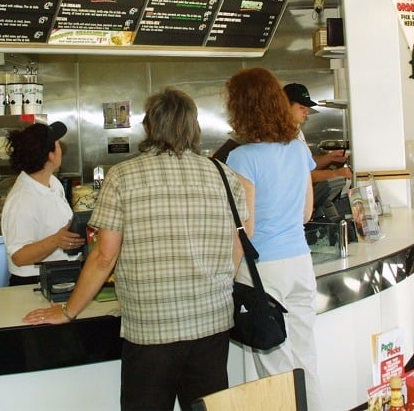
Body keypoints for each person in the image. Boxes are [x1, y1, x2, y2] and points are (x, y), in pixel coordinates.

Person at [22, 88, 250, 411]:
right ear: (193, 127)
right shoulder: (224, 176)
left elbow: (104, 257)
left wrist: (67, 310)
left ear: (150, 126)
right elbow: (239, 241)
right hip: (211, 325)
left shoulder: (122, 177)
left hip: (150, 329)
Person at [223, 68, 323, 411]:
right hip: (300, 262)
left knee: (275, 371)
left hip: (265, 273)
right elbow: (307, 212)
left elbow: (245, 230)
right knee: (305, 358)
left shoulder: (241, 158)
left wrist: (225, 274)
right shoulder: (297, 148)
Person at [0, 121, 84, 286]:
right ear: (51, 156)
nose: (61, 149)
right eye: (58, 145)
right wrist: (56, 240)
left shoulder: (53, 182)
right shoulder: (22, 200)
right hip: (34, 282)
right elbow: (19, 256)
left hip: (61, 275)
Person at [283, 82, 352, 184]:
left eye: (307, 107)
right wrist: (336, 173)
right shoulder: (281, 137)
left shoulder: (297, 131)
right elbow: (301, 174)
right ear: (286, 106)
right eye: (302, 107)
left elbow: (308, 164)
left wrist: (329, 158)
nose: (306, 112)